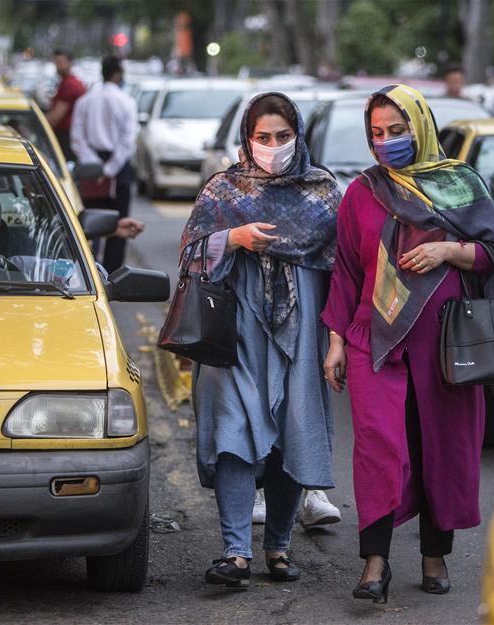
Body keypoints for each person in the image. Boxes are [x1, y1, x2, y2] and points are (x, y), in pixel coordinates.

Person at [321, 84, 494, 604]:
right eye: (377, 133)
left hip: (444, 345)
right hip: (373, 341)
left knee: (442, 446)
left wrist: (449, 251)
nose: (386, 142)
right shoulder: (363, 191)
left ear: (420, 126)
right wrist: (336, 340)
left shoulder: (460, 184)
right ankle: (375, 563)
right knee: (377, 447)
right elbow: (343, 270)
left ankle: (435, 554)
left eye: (396, 130)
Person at [179, 93, 340, 588]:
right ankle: (235, 552)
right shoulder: (223, 191)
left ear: (299, 136)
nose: (273, 146)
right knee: (234, 433)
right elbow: (188, 256)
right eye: (262, 138)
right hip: (237, 328)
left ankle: (278, 547)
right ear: (247, 140)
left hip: (303, 332)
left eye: (283, 137)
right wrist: (235, 238)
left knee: (293, 432)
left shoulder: (325, 191)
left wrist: (338, 341)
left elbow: (344, 270)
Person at [71, 55, 137, 274]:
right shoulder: (126, 101)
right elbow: (127, 142)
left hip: (90, 167)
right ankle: (113, 276)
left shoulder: (85, 101)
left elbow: (77, 138)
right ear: (118, 74)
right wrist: (110, 169)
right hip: (117, 168)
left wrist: (94, 166)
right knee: (120, 223)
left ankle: (87, 271)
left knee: (90, 224)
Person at [46, 50, 87, 162]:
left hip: (67, 139)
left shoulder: (70, 85)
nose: (58, 66)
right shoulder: (66, 83)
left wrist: (38, 125)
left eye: (61, 62)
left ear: (70, 63)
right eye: (56, 62)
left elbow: (55, 118)